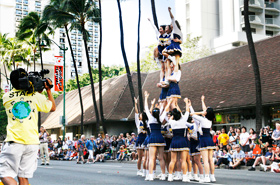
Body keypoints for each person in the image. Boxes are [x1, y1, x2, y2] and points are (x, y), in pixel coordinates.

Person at [0, 68, 55, 185]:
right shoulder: (35, 96)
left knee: (4, 174)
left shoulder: (7, 97)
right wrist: (48, 90)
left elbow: (23, 96)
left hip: (14, 142)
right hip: (32, 143)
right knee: (23, 177)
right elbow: (52, 107)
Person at [161, 98, 192, 182]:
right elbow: (187, 111)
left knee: (173, 160)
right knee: (183, 160)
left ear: (173, 116)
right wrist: (186, 103)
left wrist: (169, 103)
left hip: (174, 141)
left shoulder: (171, 121)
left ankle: (170, 176)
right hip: (183, 141)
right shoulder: (184, 120)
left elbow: (165, 115)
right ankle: (185, 176)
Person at [190, 95, 216, 183]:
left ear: (206, 113)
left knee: (205, 161)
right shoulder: (210, 120)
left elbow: (192, 114)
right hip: (209, 139)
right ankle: (212, 176)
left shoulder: (202, 119)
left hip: (204, 140)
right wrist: (202, 101)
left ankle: (207, 177)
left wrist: (199, 112)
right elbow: (206, 110)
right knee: (210, 160)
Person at [144, 91, 166, 181]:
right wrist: (163, 104)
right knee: (161, 157)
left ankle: (151, 175)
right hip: (160, 138)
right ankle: (164, 174)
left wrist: (146, 98)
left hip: (152, 138)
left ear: (152, 113)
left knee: (152, 158)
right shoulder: (160, 118)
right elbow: (164, 111)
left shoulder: (150, 117)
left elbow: (146, 108)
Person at [162, 7, 183, 86]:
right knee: (164, 53)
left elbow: (172, 18)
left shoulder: (176, 29)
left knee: (176, 62)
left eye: (171, 24)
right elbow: (182, 41)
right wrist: (179, 41)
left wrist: (169, 11)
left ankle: (175, 75)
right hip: (172, 46)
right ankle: (172, 59)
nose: (171, 25)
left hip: (176, 47)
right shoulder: (176, 32)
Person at [134, 97, 147, 176]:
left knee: (146, 157)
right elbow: (136, 112)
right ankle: (139, 170)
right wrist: (136, 103)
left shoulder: (147, 122)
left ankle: (145, 170)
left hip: (146, 139)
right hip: (140, 139)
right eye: (140, 115)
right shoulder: (138, 122)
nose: (140, 115)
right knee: (140, 157)